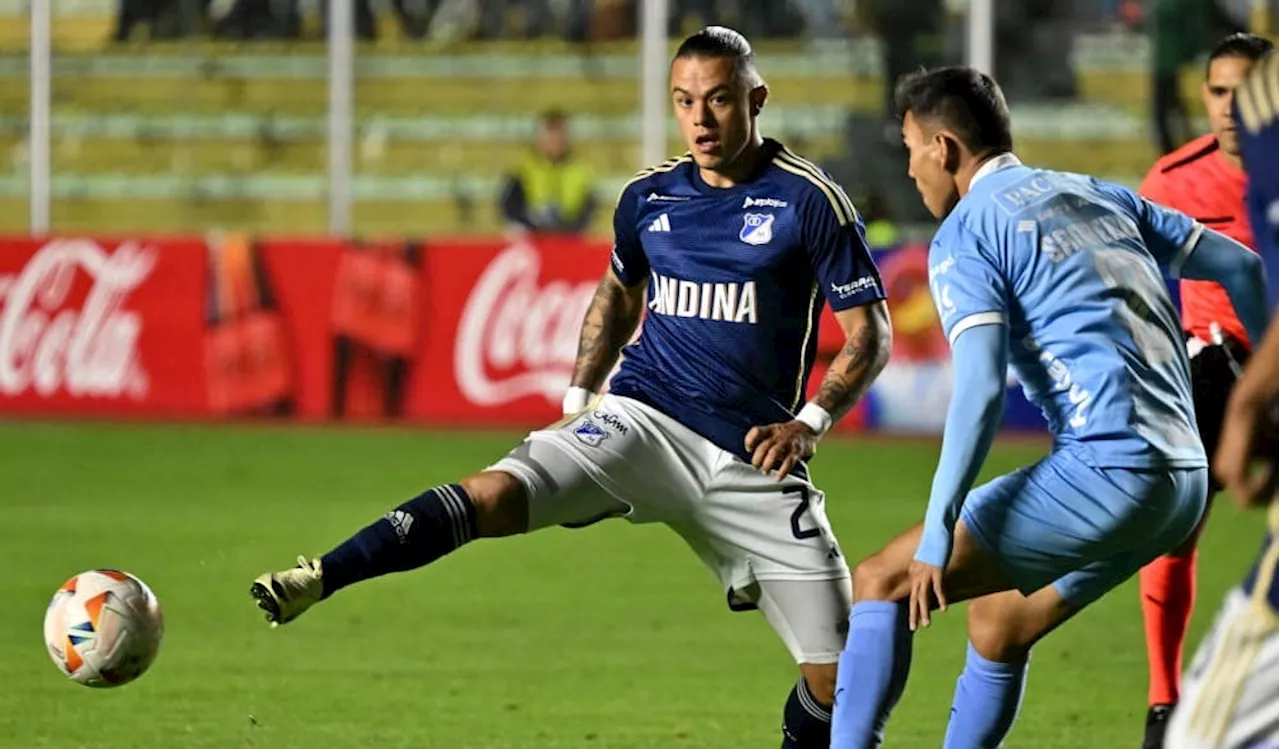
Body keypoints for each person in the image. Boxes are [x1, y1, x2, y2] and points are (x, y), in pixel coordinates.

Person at [250, 26, 893, 749]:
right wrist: (578, 404)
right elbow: (617, 297)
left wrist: (809, 419)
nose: (702, 119)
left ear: (757, 98)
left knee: (844, 682)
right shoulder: (648, 197)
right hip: (641, 419)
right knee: (493, 491)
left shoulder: (809, 201)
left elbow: (870, 334)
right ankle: (322, 575)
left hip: (753, 457)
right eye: (685, 102)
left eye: (718, 99)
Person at [827, 66, 1270, 748]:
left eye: (911, 147)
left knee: (881, 579)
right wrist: (1261, 393)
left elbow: (977, 391)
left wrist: (941, 529)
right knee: (998, 624)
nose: (911, 167)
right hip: (1183, 481)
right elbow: (1244, 268)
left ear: (944, 148)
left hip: (1107, 471)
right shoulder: (1094, 193)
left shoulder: (969, 232)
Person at [1133, 32, 1274, 749]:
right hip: (1216, 367)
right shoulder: (1173, 179)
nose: (1227, 106)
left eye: (1241, 90)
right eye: (1217, 90)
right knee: (1172, 519)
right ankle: (1164, 701)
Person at [498, 109, 598, 235]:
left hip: (568, 239)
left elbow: (588, 209)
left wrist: (567, 229)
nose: (555, 142)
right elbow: (511, 208)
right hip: (531, 239)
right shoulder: (521, 170)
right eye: (550, 135)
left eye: (559, 136)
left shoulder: (580, 172)